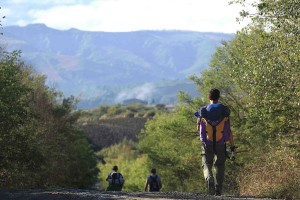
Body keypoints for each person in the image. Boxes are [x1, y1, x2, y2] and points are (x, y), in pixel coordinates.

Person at [197, 88, 236, 196]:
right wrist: (232, 147)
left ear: (208, 97)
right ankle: (218, 190)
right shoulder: (224, 111)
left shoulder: (204, 111)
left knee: (206, 164)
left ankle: (209, 178)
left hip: (207, 143)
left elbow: (199, 130)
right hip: (221, 143)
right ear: (219, 97)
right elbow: (229, 131)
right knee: (220, 165)